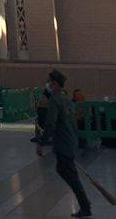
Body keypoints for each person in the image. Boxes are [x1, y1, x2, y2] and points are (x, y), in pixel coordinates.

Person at [39, 69, 93, 219]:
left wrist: (42, 143)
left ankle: (85, 206)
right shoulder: (66, 99)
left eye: (49, 82)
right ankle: (85, 205)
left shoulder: (54, 100)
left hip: (63, 142)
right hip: (70, 141)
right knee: (65, 171)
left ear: (55, 83)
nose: (47, 84)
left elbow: (50, 123)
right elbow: (73, 122)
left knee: (69, 173)